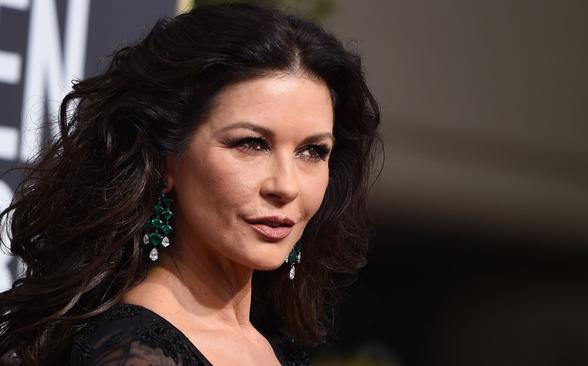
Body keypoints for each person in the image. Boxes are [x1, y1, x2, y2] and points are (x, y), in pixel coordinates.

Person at [0, 2, 381, 366]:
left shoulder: (270, 346)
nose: (286, 186)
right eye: (251, 144)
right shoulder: (133, 353)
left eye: (313, 151)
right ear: (166, 159)